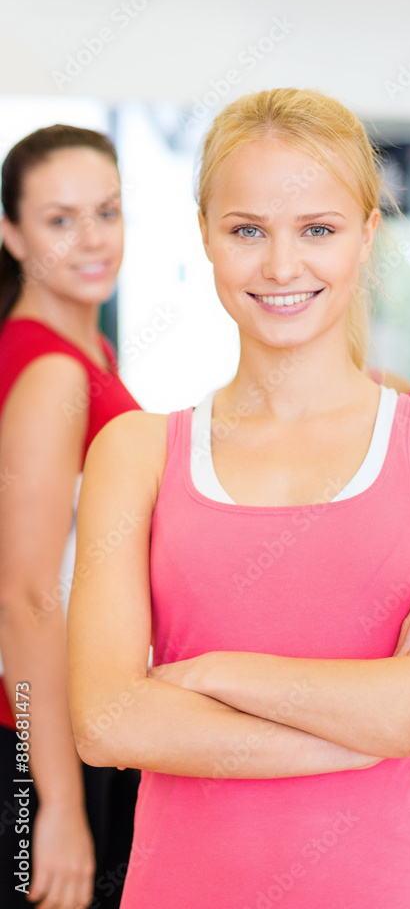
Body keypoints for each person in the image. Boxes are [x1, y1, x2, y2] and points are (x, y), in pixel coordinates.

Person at [66, 88, 410, 909]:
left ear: (368, 233)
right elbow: (106, 722)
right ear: (205, 233)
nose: (281, 267)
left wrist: (210, 675)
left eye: (318, 229)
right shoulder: (134, 454)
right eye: (247, 231)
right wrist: (371, 724)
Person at [0, 125, 141, 909]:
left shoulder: (87, 357)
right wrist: (51, 802)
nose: (93, 240)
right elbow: (21, 595)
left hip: (74, 735)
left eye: (107, 212)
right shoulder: (51, 372)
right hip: (37, 748)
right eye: (60, 220)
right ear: (12, 234)